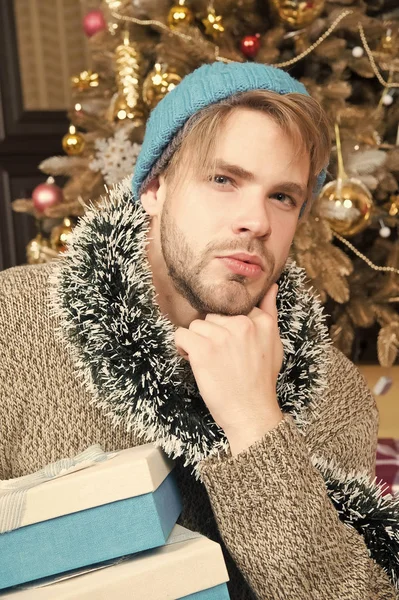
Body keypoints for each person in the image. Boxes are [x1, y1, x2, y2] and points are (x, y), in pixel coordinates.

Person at [1, 62, 398, 599]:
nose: (256, 221)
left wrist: (255, 421)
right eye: (224, 180)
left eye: (282, 197)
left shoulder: (336, 395)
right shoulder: (14, 319)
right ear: (155, 187)